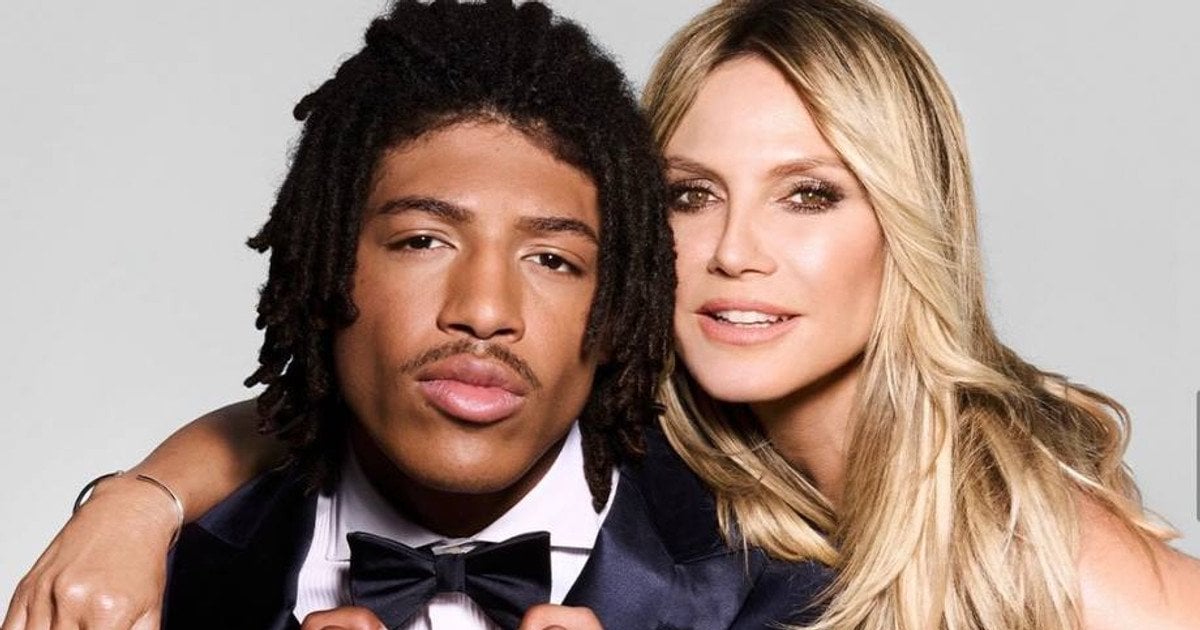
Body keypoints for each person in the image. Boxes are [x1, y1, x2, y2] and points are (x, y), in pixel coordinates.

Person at [8, 0, 1200, 629]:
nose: (734, 252)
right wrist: (137, 500)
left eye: (809, 195)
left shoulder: (1019, 536)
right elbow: (356, 399)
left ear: (909, 226)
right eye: (690, 195)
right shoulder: (645, 422)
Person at [2, 2, 829, 629]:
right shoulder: (150, 577)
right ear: (326, 268)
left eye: (553, 260)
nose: (484, 312)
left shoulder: (780, 589)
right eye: (424, 241)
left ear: (620, 308)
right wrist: (139, 501)